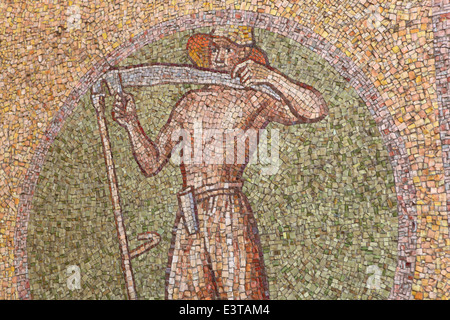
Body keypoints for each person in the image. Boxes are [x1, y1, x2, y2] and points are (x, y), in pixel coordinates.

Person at [112, 26, 328, 300]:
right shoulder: (189, 103)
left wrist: (272, 77)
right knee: (186, 301)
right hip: (189, 211)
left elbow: (315, 109)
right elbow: (151, 162)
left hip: (228, 209)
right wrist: (131, 124)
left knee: (242, 299)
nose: (218, 56)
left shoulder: (255, 97)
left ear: (246, 54)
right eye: (214, 48)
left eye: (227, 48)